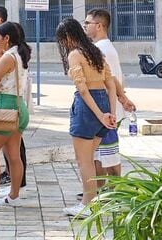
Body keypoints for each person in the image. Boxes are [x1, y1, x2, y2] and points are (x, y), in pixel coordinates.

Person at [56, 18, 117, 217]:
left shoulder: (75, 54)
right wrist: (111, 113)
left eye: (62, 39)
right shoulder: (96, 52)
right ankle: (91, 203)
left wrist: (100, 115)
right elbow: (110, 83)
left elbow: (82, 89)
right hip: (103, 103)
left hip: (87, 107)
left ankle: (86, 205)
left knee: (84, 161)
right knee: (89, 159)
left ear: (67, 37)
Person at [83, 9, 136, 192]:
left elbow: (111, 80)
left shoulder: (101, 49)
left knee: (106, 156)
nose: (85, 27)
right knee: (102, 154)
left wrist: (121, 100)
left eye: (87, 23)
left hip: (107, 110)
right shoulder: (104, 47)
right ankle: (102, 192)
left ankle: (108, 192)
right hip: (108, 110)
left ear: (99, 26)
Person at [0, 21, 31, 209]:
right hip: (19, 107)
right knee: (13, 154)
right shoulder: (21, 55)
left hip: (5, 106)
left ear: (7, 38)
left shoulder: (8, 57)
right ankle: (13, 195)